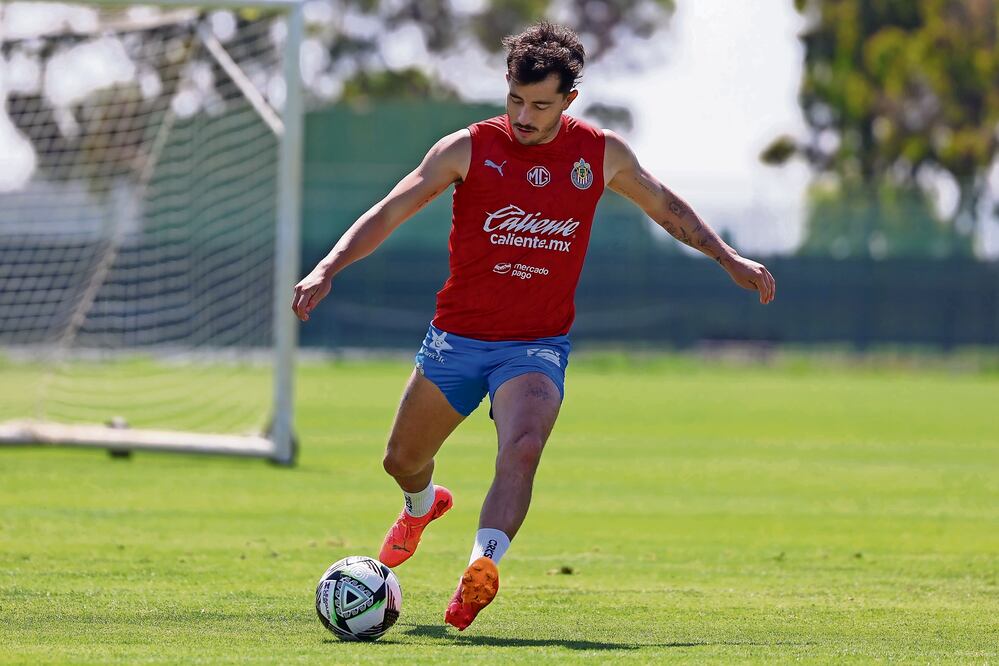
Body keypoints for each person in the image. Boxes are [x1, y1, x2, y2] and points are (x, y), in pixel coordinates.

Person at [292, 21, 776, 631]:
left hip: (534, 348)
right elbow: (391, 210)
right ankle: (420, 506)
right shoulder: (466, 149)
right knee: (401, 460)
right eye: (516, 99)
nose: (524, 115)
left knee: (522, 447)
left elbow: (667, 207)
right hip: (456, 340)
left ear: (569, 99)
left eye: (541, 105)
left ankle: (481, 567)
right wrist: (328, 267)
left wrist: (728, 259)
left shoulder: (601, 154)